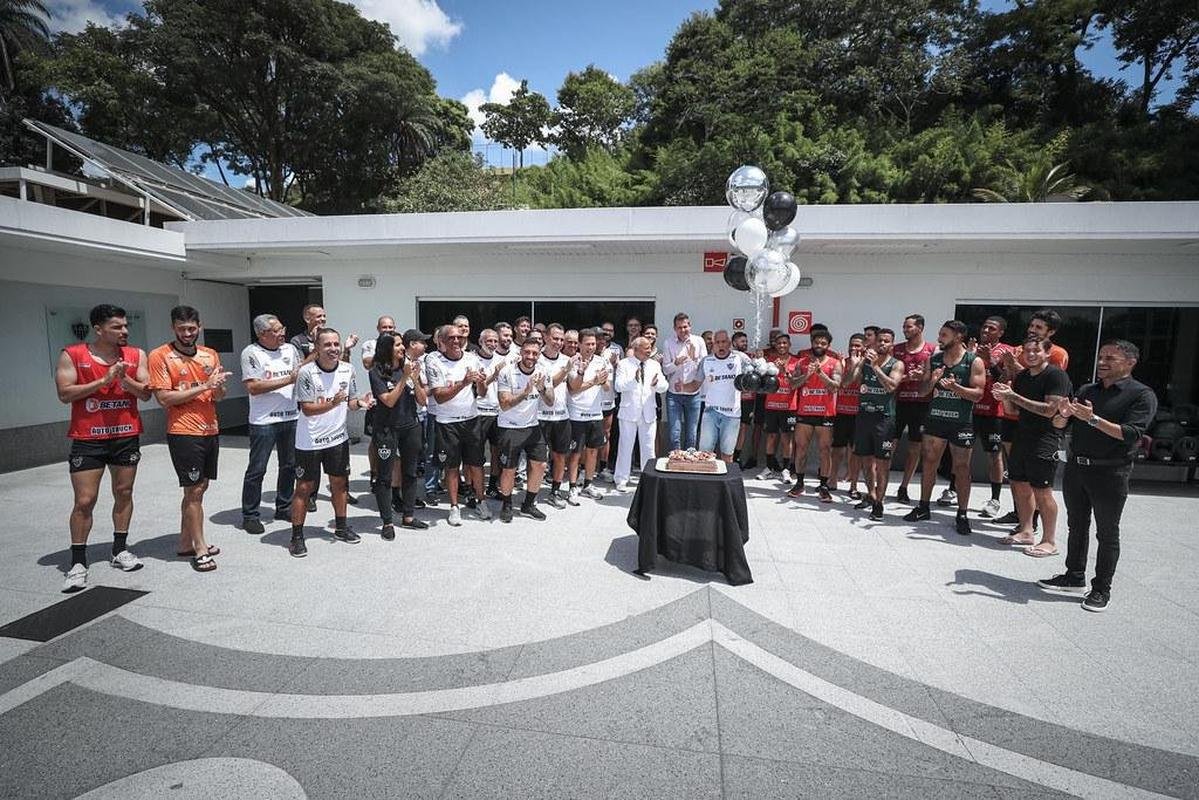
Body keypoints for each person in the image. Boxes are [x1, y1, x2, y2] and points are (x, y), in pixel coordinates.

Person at [1038, 340, 1156, 612]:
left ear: (1130, 362)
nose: (1102, 362)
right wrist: (1063, 415)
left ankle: (1101, 589)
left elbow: (1131, 434)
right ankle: (1074, 576)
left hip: (1110, 472)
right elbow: (1061, 424)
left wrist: (1092, 419)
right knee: (1077, 526)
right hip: (1077, 469)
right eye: (1101, 356)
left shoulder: (1141, 394)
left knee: (1107, 532)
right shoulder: (1087, 390)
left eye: (1110, 358)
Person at [55, 304, 150, 592]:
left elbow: (146, 393)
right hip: (88, 437)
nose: (125, 331)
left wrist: (125, 380)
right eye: (117, 327)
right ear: (98, 329)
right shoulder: (73, 354)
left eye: (125, 326)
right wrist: (104, 380)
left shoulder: (135, 355)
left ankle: (119, 549)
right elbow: (64, 393)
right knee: (85, 500)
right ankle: (78, 562)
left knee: (124, 492)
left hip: (125, 435)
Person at [148, 305, 229, 573]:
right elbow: (164, 398)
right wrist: (204, 386)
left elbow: (219, 396)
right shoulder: (160, 355)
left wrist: (216, 388)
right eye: (181, 329)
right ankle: (200, 548)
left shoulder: (210, 354)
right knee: (193, 491)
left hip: (210, 428)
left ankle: (185, 541)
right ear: (173, 328)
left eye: (191, 328)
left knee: (200, 488)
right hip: (183, 431)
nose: (187, 333)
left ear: (199, 327)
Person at [289, 328, 373, 557]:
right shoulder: (306, 372)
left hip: (337, 440)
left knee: (340, 485)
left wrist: (361, 404)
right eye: (327, 345)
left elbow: (351, 402)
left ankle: (341, 527)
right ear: (317, 348)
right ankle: (297, 536)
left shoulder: (348, 369)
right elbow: (306, 409)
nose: (333, 349)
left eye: (336, 344)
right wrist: (334, 403)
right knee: (304, 489)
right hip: (310, 442)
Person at [902, 321, 986, 535]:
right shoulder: (935, 359)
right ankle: (923, 506)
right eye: (940, 334)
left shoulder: (973, 361)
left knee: (962, 469)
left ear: (958, 336)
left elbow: (978, 394)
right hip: (935, 420)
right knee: (929, 463)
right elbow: (922, 392)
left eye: (944, 334)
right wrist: (933, 380)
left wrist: (956, 387)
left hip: (961, 422)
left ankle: (962, 514)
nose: (939, 338)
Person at [992, 335, 1071, 556]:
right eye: (1027, 351)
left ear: (1047, 352)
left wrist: (1013, 396)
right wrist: (1004, 397)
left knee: (1043, 491)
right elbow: (1012, 411)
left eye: (1036, 350)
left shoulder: (1056, 375)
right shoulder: (1024, 376)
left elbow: (1050, 410)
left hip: (1046, 438)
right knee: (1018, 484)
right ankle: (1026, 530)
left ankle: (1049, 540)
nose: (1031, 354)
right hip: (1022, 436)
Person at [239, 314, 300, 535]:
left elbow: (300, 373)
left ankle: (283, 507)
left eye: (282, 327)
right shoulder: (251, 353)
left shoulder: (290, 350)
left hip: (290, 417)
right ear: (262, 334)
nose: (282, 333)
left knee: (289, 466)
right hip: (264, 421)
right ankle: (250, 515)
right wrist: (288, 380)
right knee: (257, 469)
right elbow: (253, 387)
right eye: (275, 330)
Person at [426, 323, 491, 525]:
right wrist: (463, 383)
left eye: (459, 338)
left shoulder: (472, 358)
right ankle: (454, 507)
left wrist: (481, 382)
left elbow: (481, 393)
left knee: (477, 465)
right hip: (447, 423)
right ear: (441, 341)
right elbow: (439, 397)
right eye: (451, 338)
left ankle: (481, 501)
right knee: (452, 467)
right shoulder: (433, 360)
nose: (456, 341)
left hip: (471, 420)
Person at [368, 332, 429, 537]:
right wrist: (404, 377)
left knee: (410, 473)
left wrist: (415, 379)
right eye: (397, 345)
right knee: (385, 476)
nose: (402, 348)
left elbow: (422, 401)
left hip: (410, 426)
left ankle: (408, 516)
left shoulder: (409, 367)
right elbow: (389, 401)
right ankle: (387, 523)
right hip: (387, 429)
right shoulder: (376, 371)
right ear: (387, 348)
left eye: (402, 344)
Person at [847, 328, 905, 520]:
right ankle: (871, 494)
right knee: (865, 459)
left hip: (884, 419)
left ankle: (879, 503)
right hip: (864, 416)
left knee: (883, 463)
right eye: (879, 341)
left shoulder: (897, 364)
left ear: (891, 344)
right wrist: (857, 364)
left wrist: (876, 367)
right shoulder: (866, 361)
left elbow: (891, 386)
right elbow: (848, 383)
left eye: (886, 341)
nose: (881, 344)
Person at [496, 340, 554, 521]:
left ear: (539, 354)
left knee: (540, 465)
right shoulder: (507, 372)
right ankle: (506, 504)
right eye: (527, 352)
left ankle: (528, 505)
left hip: (532, 426)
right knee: (509, 469)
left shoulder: (543, 371)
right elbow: (504, 404)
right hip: (509, 426)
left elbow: (550, 401)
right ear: (521, 352)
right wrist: (525, 392)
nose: (530, 357)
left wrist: (542, 388)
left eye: (534, 353)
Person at [968, 316, 1019, 519]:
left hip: (994, 411)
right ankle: (954, 489)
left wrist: (991, 362)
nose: (986, 330)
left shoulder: (1008, 350)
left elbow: (1007, 378)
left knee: (994, 455)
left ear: (1000, 333)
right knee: (961, 452)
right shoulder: (972, 348)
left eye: (992, 328)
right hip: (970, 409)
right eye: (984, 326)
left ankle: (995, 499)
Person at [787, 328, 842, 502]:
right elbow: (793, 384)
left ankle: (824, 486)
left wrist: (820, 373)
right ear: (811, 343)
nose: (819, 345)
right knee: (801, 448)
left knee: (825, 450)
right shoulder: (802, 362)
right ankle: (800, 483)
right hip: (805, 412)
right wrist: (808, 374)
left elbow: (835, 386)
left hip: (825, 414)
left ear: (828, 345)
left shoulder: (835, 363)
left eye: (823, 343)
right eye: (816, 342)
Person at [614, 336, 667, 492]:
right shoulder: (624, 364)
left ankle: (648, 479)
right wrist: (633, 380)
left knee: (649, 448)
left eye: (650, 347)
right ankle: (621, 479)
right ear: (636, 349)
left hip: (648, 412)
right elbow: (618, 386)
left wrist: (658, 384)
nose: (649, 350)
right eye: (646, 348)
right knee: (625, 447)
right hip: (629, 412)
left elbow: (664, 386)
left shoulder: (655, 365)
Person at [893, 314, 936, 502]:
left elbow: (937, 378)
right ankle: (880, 484)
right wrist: (908, 378)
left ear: (920, 328)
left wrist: (924, 377)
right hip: (898, 403)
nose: (905, 330)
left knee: (914, 448)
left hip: (922, 405)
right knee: (889, 445)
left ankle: (904, 487)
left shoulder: (932, 350)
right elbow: (890, 379)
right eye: (904, 326)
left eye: (908, 327)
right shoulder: (897, 350)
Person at [566, 328, 612, 501]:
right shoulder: (573, 362)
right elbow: (574, 389)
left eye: (593, 344)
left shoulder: (601, 361)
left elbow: (607, 387)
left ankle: (588, 484)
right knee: (576, 453)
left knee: (593, 451)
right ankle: (572, 486)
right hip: (577, 414)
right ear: (579, 344)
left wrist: (604, 381)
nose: (591, 347)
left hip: (596, 414)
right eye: (587, 344)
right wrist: (594, 381)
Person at [695, 331, 749, 462]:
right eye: (717, 342)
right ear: (713, 345)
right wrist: (682, 386)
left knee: (727, 454)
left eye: (724, 342)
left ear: (730, 343)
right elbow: (696, 383)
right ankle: (706, 480)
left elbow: (752, 379)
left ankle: (726, 481)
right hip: (710, 412)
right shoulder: (706, 361)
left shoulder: (740, 358)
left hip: (732, 414)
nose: (721, 345)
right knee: (704, 454)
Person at [538, 324, 574, 507]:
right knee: (538, 460)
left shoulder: (567, 360)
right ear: (545, 337)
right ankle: (532, 492)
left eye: (561, 339)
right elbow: (548, 385)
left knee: (560, 456)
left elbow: (573, 387)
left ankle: (555, 491)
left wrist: (583, 371)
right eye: (555, 338)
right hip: (539, 417)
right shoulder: (536, 359)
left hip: (561, 416)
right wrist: (566, 370)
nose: (559, 343)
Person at [360, 315, 397, 492]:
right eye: (384, 327)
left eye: (391, 327)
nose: (388, 330)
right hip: (377, 401)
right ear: (378, 328)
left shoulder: (399, 343)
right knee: (375, 442)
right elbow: (367, 364)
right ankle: (374, 473)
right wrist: (384, 351)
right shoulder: (369, 344)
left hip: (397, 403)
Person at [757, 333, 799, 482]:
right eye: (779, 343)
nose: (782, 345)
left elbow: (796, 383)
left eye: (784, 343)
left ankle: (786, 469)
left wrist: (785, 370)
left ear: (789, 344)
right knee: (771, 436)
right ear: (775, 345)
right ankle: (769, 468)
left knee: (787, 438)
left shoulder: (796, 362)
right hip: (771, 405)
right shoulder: (770, 362)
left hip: (789, 407)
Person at [662, 312, 708, 450]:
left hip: (694, 394)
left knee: (692, 433)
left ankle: (689, 463)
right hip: (674, 395)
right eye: (679, 327)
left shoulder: (699, 341)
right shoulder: (668, 343)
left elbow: (706, 366)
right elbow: (665, 370)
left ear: (690, 326)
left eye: (685, 327)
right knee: (674, 432)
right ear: (674, 329)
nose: (683, 330)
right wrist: (675, 363)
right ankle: (675, 460)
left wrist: (695, 358)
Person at [832, 333, 865, 500]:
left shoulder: (867, 364)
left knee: (855, 451)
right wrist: (851, 365)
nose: (854, 348)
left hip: (858, 414)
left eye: (858, 345)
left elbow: (860, 383)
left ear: (864, 347)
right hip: (841, 412)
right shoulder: (842, 362)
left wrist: (858, 366)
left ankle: (853, 485)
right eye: (852, 345)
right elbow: (842, 383)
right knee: (837, 448)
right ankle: (832, 480)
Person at [476, 328, 506, 498]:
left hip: (498, 413)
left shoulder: (502, 360)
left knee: (497, 452)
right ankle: (474, 488)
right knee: (477, 453)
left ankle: (493, 486)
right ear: (481, 342)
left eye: (495, 341)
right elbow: (477, 387)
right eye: (489, 341)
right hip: (479, 412)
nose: (493, 344)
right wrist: (494, 374)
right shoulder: (473, 360)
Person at [596, 322, 622, 481]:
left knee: (606, 434)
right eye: (599, 338)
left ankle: (603, 467)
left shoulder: (615, 351)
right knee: (588, 437)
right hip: (589, 402)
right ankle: (585, 469)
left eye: (604, 339)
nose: (601, 342)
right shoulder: (588, 352)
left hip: (608, 400)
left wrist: (616, 364)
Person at [730, 331, 756, 464]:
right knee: (730, 427)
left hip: (748, 399)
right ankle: (727, 454)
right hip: (732, 398)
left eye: (746, 341)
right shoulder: (729, 356)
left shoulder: (750, 357)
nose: (744, 344)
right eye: (742, 341)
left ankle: (737, 457)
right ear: (734, 343)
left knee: (743, 427)